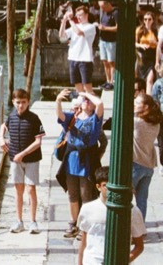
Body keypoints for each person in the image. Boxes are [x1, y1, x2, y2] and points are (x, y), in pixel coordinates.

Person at [56, 89, 104, 239]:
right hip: (72, 159)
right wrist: (58, 100)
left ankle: (85, 225)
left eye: (88, 101)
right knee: (73, 193)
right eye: (83, 100)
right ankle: (73, 222)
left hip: (86, 160)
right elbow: (60, 115)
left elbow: (100, 103)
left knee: (86, 194)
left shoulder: (94, 119)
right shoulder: (74, 117)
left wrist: (86, 94)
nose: (85, 102)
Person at [76, 166, 146, 264]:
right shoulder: (88, 209)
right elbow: (84, 240)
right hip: (92, 260)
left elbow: (139, 245)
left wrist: (123, 261)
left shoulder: (132, 211)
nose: (109, 189)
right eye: (105, 185)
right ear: (98, 187)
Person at [0, 87, 45, 233]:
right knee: (18, 189)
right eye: (18, 102)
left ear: (28, 102)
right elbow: (3, 126)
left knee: (31, 189)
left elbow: (38, 142)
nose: (21, 105)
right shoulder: (11, 117)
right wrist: (1, 138)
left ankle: (33, 221)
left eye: (24, 102)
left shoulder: (34, 118)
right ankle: (19, 221)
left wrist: (23, 154)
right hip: (15, 159)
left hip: (31, 159)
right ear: (13, 102)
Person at [132, 93, 162, 219]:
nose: (134, 104)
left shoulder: (137, 122)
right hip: (148, 166)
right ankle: (140, 229)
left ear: (146, 107)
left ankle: (128, 229)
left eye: (137, 103)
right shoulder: (156, 124)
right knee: (142, 200)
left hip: (135, 164)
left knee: (124, 198)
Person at [60, 4, 98, 97]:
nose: (78, 17)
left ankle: (94, 106)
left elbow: (79, 32)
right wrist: (64, 21)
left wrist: (70, 20)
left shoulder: (91, 26)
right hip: (73, 58)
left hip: (85, 59)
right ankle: (82, 105)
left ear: (86, 15)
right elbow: (62, 36)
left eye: (80, 15)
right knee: (77, 86)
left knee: (87, 86)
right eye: (77, 15)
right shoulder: (75, 25)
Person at [96, 0, 118, 91]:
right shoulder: (104, 13)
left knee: (111, 62)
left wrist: (105, 28)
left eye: (103, 7)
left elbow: (117, 28)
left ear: (108, 4)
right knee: (105, 61)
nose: (102, 9)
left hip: (111, 41)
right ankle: (108, 80)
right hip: (103, 40)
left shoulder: (115, 12)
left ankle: (112, 81)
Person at [136, 10, 160, 90]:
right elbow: (134, 43)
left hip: (152, 56)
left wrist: (155, 42)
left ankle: (149, 99)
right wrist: (141, 45)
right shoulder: (140, 30)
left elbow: (160, 45)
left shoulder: (156, 31)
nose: (147, 21)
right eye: (145, 19)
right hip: (142, 56)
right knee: (139, 81)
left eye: (149, 19)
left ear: (153, 20)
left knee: (150, 80)